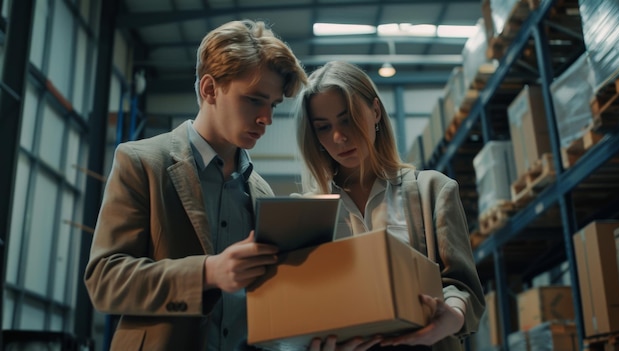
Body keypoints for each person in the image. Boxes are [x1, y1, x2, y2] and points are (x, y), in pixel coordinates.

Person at [84, 19, 307, 350]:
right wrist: (208, 273)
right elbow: (105, 281)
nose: (267, 118)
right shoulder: (141, 163)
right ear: (209, 89)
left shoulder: (261, 192)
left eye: (272, 105)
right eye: (254, 100)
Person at [293, 61, 485, 351]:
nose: (338, 137)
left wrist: (452, 316)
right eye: (323, 127)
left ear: (375, 111)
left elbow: (463, 286)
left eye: (348, 119)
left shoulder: (432, 190)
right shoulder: (305, 213)